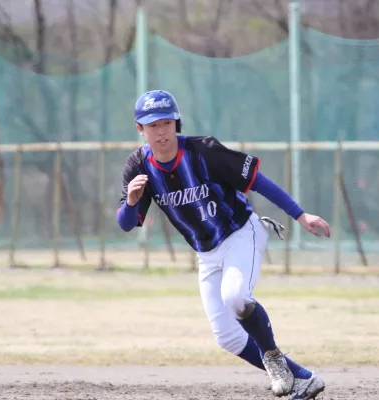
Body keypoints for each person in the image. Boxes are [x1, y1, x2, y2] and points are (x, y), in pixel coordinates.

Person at [117, 90, 330, 400]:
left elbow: (257, 181)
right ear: (140, 129)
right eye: (152, 125)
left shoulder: (203, 151)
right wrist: (131, 202)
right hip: (207, 253)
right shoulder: (139, 166)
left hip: (241, 233)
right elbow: (126, 223)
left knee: (236, 296)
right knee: (227, 337)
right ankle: (305, 379)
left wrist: (299, 214)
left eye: (166, 123)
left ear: (176, 123)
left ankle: (272, 357)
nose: (161, 131)